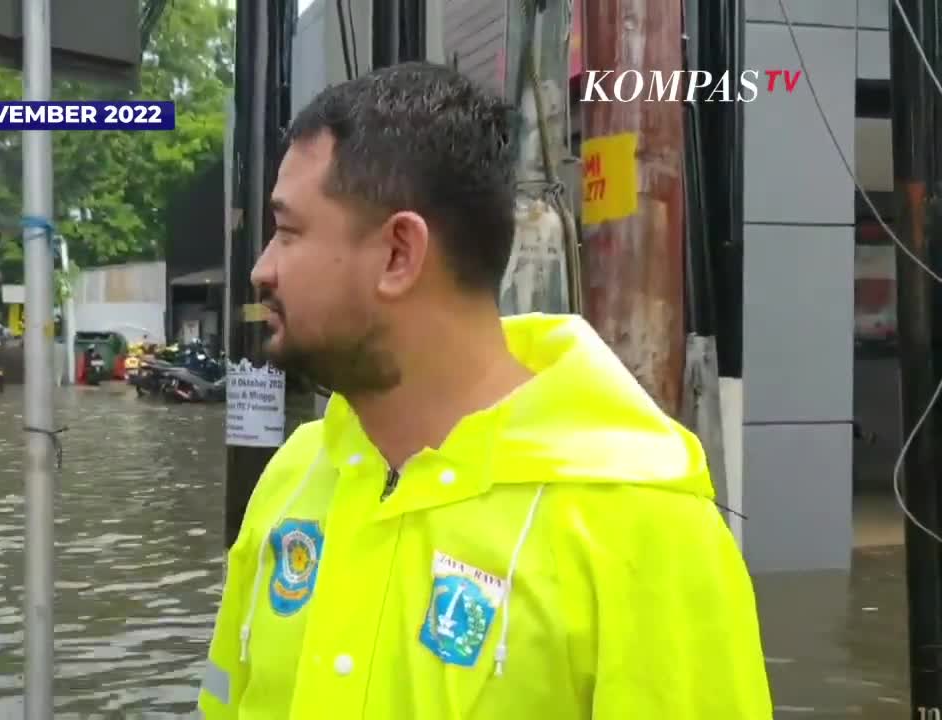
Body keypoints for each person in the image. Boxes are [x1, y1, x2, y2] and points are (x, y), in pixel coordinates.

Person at [196, 63, 771, 719]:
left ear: (398, 254)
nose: (262, 267)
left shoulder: (644, 531)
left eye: (289, 232)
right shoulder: (293, 479)